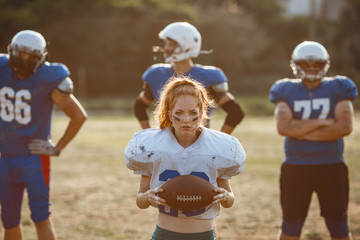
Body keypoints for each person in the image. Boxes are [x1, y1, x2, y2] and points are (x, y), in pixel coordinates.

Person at [125, 76, 246, 240]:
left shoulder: (218, 148)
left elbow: (229, 201)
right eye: (179, 113)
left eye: (193, 113)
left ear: (202, 113)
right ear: (169, 114)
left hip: (203, 235)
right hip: (164, 234)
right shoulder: (152, 147)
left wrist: (225, 195)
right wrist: (148, 196)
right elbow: (140, 201)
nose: (186, 120)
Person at [0, 30, 87, 240]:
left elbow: (78, 115)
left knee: (40, 217)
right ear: (11, 52)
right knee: (9, 220)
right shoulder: (2, 69)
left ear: (41, 58)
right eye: (20, 54)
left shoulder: (49, 77)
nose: (24, 60)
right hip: (6, 156)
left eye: (30, 56)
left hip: (34, 158)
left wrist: (57, 147)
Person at [269, 41, 358, 240]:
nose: (311, 68)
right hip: (296, 167)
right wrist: (323, 122)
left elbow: (344, 127)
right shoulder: (284, 88)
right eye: (306, 64)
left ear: (324, 65)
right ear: (296, 65)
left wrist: (299, 130)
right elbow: (284, 128)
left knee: (339, 226)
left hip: (332, 166)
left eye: (316, 64)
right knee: (290, 225)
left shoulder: (339, 86)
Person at [134, 22, 244, 134]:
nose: (166, 48)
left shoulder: (209, 76)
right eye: (166, 44)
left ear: (186, 46)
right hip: (166, 146)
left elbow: (235, 112)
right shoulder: (156, 73)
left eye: (171, 44)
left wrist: (219, 142)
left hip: (198, 144)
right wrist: (149, 137)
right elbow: (139, 107)